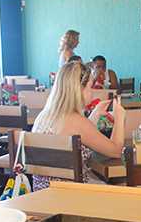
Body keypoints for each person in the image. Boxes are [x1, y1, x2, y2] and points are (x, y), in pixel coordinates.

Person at [32, 61, 125, 190]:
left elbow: (78, 135)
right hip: (72, 196)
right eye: (90, 86)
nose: (93, 92)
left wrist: (94, 115)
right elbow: (116, 151)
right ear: (79, 89)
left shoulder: (43, 117)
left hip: (42, 194)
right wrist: (120, 117)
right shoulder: (77, 122)